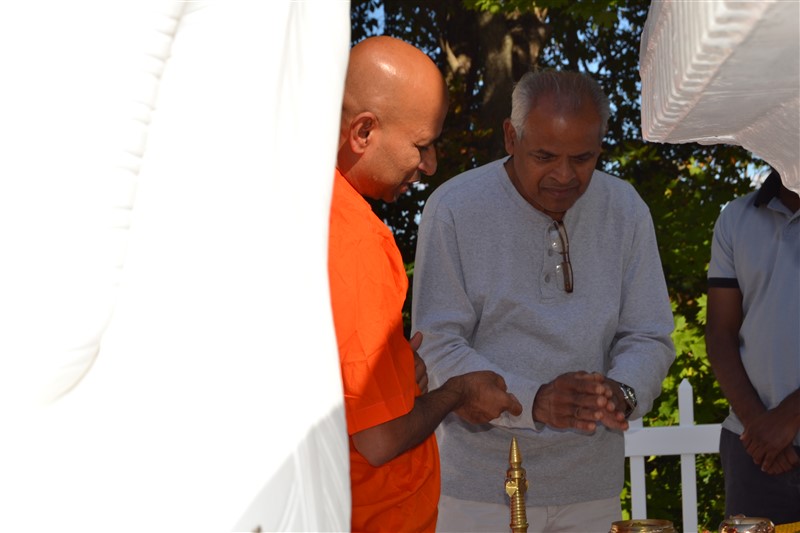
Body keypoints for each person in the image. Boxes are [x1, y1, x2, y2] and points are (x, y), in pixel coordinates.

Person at [411, 69, 676, 532]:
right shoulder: (454, 207)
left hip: (591, 487)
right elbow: (437, 344)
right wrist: (534, 400)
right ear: (510, 137)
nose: (565, 175)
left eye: (583, 158)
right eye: (545, 156)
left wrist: (623, 392)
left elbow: (649, 335)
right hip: (477, 490)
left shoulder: (625, 208)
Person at [328, 35, 523, 533]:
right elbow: (380, 439)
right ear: (363, 131)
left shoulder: (300, 208)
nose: (430, 165)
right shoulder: (354, 239)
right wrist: (455, 392)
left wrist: (393, 367)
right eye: (422, 145)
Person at [705, 169, 800, 525]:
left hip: (763, 440)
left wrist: (790, 415)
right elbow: (720, 334)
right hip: (754, 448)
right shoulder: (735, 217)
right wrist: (759, 425)